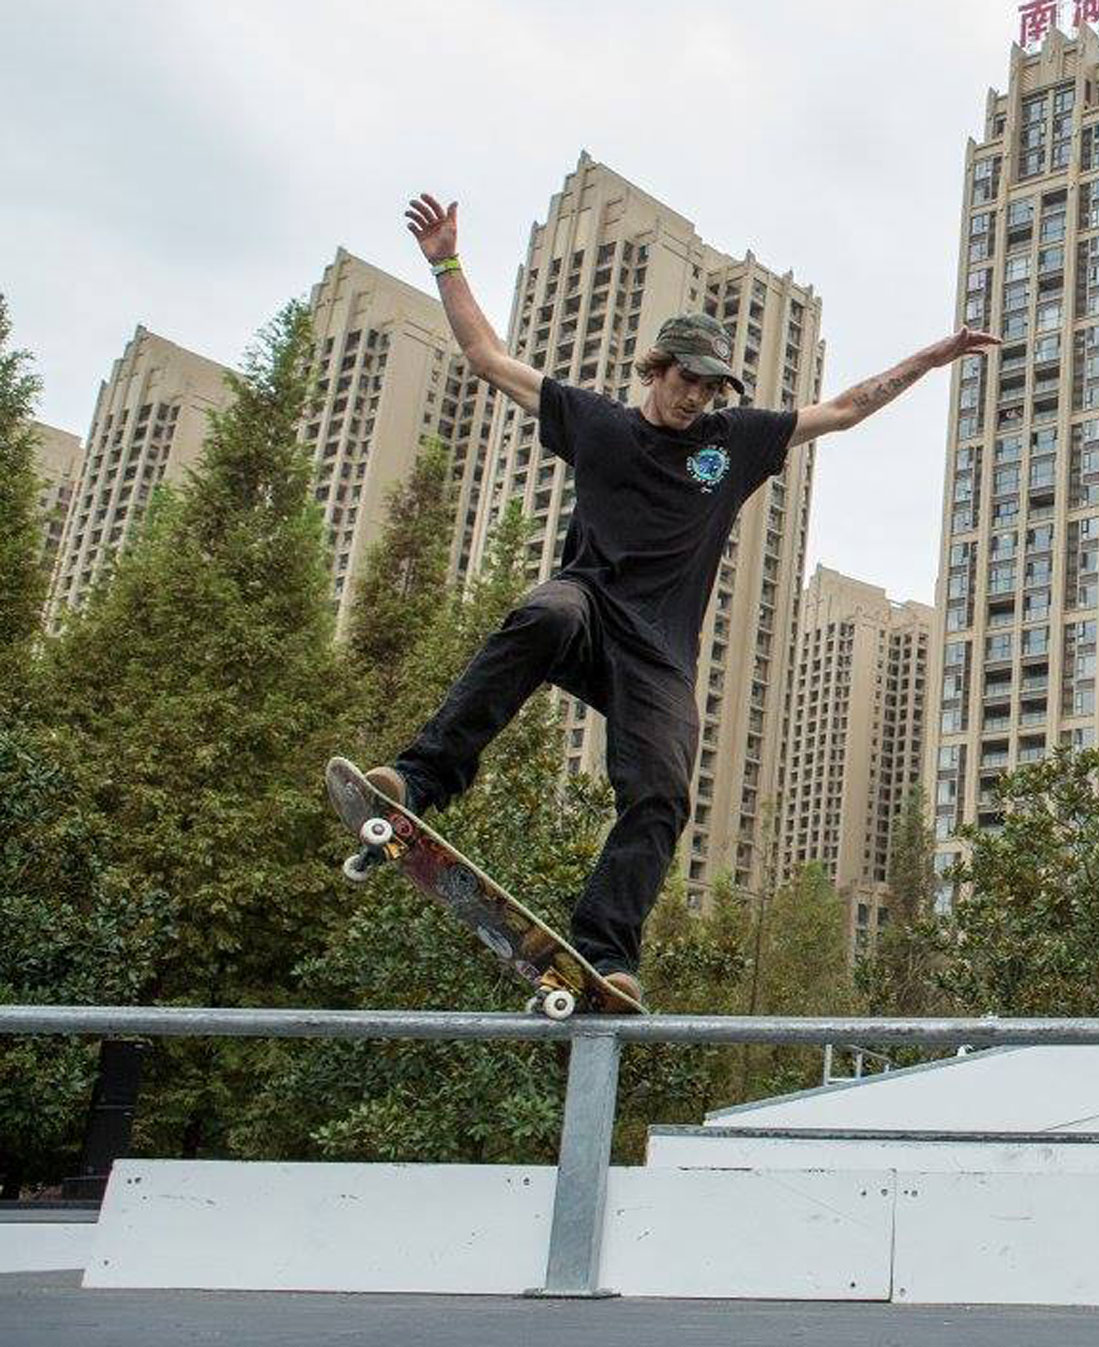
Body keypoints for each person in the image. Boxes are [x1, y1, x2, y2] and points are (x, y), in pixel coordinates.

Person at [372, 194, 995, 1007]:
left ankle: (601, 947)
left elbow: (842, 410)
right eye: (687, 382)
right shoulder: (594, 422)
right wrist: (446, 260)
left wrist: (934, 357)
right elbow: (488, 357)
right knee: (543, 613)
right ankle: (419, 782)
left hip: (658, 653)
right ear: (655, 369)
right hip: (589, 609)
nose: (697, 399)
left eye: (710, 387)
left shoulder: (731, 442)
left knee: (666, 790)